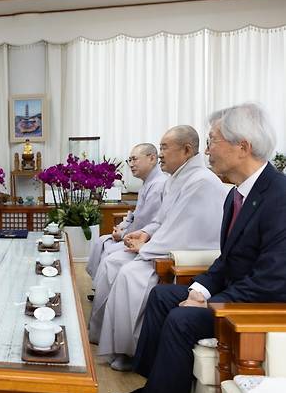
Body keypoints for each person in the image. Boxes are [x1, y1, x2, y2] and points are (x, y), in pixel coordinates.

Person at [109, 103, 286, 393]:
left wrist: (212, 302)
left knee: (182, 317)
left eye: (212, 141)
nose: (206, 152)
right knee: (161, 297)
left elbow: (273, 280)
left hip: (259, 307)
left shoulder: (279, 196)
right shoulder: (239, 194)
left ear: (242, 147)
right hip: (237, 294)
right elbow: (227, 260)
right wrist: (199, 288)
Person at [89, 125, 228, 372]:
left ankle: (130, 351)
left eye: (164, 147)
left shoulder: (202, 182)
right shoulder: (176, 179)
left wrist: (147, 245)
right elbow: (162, 220)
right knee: (115, 263)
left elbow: (184, 232)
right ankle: (107, 338)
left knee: (128, 275)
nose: (161, 154)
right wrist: (145, 233)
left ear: (186, 150)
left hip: (183, 256)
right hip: (164, 246)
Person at [86, 143, 166, 281]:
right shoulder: (148, 182)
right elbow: (138, 216)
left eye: (135, 159)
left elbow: (147, 222)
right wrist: (123, 227)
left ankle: (104, 295)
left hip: (147, 241)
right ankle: (97, 287)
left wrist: (123, 234)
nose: (131, 164)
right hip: (135, 233)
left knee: (109, 255)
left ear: (152, 159)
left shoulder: (158, 184)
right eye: (129, 160)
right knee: (101, 242)